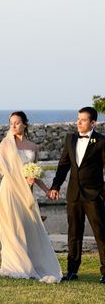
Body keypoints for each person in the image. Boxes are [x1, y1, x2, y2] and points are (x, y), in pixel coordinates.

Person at [0, 111, 62, 283]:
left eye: (17, 123)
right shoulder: (5, 145)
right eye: (11, 123)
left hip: (27, 192)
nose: (13, 126)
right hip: (10, 190)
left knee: (30, 226)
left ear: (25, 124)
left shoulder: (33, 147)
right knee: (13, 228)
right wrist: (23, 180)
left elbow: (34, 173)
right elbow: (4, 170)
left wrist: (46, 190)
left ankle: (33, 263)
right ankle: (16, 265)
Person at [48, 106, 105, 284]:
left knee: (101, 234)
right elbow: (63, 164)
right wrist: (55, 185)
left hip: (94, 195)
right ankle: (72, 271)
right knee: (74, 233)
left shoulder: (102, 141)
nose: (78, 123)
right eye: (77, 119)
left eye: (83, 120)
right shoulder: (70, 139)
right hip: (73, 195)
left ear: (93, 122)